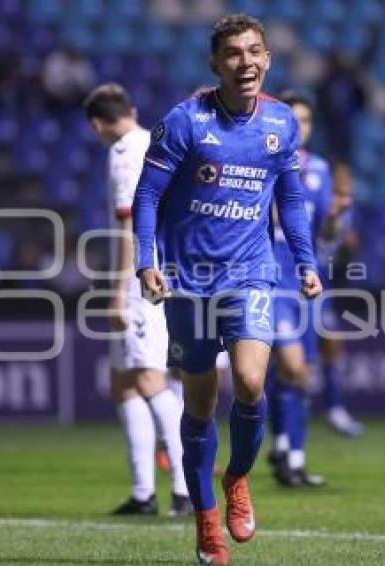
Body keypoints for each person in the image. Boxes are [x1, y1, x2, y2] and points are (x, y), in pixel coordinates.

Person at [132, 14, 322, 565]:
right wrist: (146, 263)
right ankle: (205, 519)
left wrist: (306, 262)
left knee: (249, 379)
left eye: (256, 52)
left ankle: (238, 477)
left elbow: (290, 199)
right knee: (198, 404)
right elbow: (147, 197)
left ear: (269, 60)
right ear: (215, 65)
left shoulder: (281, 123)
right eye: (235, 54)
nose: (247, 62)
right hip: (189, 282)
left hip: (252, 273)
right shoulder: (185, 121)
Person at [83, 83, 191, 517]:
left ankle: (183, 489)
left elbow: (133, 226)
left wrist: (119, 291)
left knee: (148, 380)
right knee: (124, 383)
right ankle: (144, 492)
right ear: (133, 109)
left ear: (96, 124)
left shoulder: (126, 155)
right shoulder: (155, 142)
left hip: (141, 278)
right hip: (161, 270)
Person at [265, 90, 337, 488]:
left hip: (304, 283)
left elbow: (325, 235)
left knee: (300, 373)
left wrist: (336, 221)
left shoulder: (320, 170)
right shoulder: (262, 163)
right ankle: (284, 452)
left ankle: (291, 455)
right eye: (294, 119)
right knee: (291, 365)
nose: (301, 128)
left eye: (307, 121)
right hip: (270, 281)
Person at [317, 160, 365, 439]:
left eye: (349, 192)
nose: (346, 197)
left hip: (322, 284)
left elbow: (338, 259)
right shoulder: (317, 206)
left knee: (332, 344)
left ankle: (335, 409)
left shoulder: (347, 215)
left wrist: (347, 252)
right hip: (295, 281)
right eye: (340, 191)